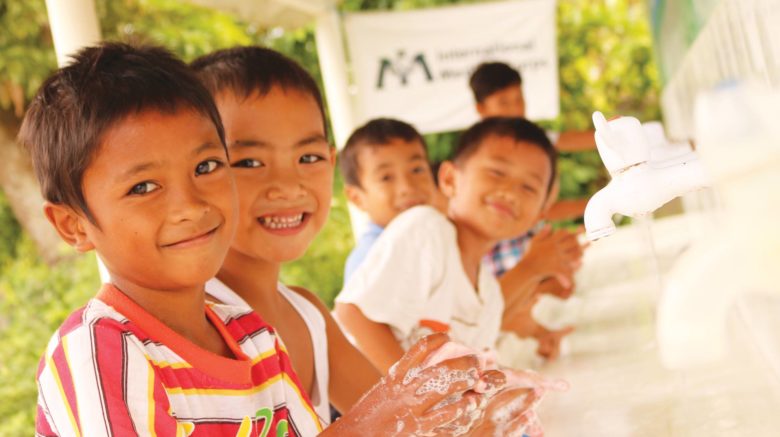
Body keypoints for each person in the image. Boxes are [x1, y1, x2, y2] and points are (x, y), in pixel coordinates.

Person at [23, 42, 496, 436]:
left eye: (205, 167)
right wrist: (376, 419)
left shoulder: (252, 337)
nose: (190, 205)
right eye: (143, 187)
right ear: (73, 225)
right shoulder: (98, 354)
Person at [190, 46, 506, 432]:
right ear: (197, 171)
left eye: (308, 158)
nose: (289, 186)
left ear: (331, 162)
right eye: (250, 162)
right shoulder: (192, 327)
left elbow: (402, 424)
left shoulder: (308, 315)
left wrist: (481, 412)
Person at [334, 116, 561, 371]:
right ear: (450, 179)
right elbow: (354, 313)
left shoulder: (490, 294)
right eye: (496, 172)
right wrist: (413, 400)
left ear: (541, 213)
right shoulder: (426, 228)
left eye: (529, 187)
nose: (509, 192)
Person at [338, 118, 438, 281]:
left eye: (417, 169)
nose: (407, 187)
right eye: (386, 178)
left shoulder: (439, 238)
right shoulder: (370, 261)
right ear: (357, 198)